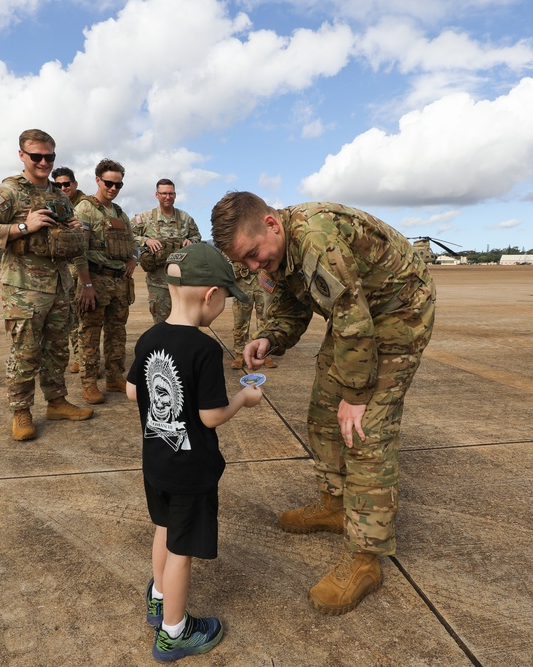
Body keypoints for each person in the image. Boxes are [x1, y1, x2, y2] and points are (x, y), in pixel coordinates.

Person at [211, 191, 435, 615]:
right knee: (323, 415)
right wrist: (269, 337)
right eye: (245, 263)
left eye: (255, 255)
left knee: (365, 431)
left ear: (271, 225)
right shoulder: (276, 252)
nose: (254, 267)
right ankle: (335, 505)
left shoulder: (316, 238)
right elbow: (289, 309)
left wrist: (357, 396)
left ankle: (365, 557)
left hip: (399, 309)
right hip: (358, 317)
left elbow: (354, 320)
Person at [126, 242, 262, 662]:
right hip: (191, 470)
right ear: (210, 296)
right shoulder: (203, 349)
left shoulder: (150, 336)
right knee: (182, 552)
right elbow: (210, 417)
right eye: (224, 299)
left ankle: (158, 598)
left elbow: (133, 390)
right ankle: (174, 632)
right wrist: (244, 398)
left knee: (164, 531)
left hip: (157, 462)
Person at [0, 129, 94, 441]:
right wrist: (24, 226)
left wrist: (75, 226)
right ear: (22, 155)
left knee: (57, 348)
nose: (43, 162)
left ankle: (56, 401)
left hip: (58, 284)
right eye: (36, 156)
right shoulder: (8, 192)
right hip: (24, 289)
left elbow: (66, 229)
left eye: (48, 157)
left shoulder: (58, 195)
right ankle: (21, 411)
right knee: (25, 351)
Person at [73, 158, 139, 405]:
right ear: (98, 180)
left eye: (118, 185)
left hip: (119, 281)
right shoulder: (85, 209)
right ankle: (89, 383)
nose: (113, 188)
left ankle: (114, 376)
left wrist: (133, 259)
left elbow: (133, 243)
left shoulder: (120, 212)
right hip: (96, 280)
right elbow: (78, 250)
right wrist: (86, 285)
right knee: (90, 332)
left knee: (117, 332)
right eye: (109, 183)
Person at [132, 179, 202, 323]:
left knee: (184, 322)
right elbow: (128, 235)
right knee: (161, 323)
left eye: (170, 193)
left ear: (175, 195)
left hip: (183, 282)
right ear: (157, 195)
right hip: (158, 283)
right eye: (163, 193)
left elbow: (197, 236)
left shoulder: (185, 218)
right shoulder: (145, 218)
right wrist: (146, 241)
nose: (167, 197)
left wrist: (192, 241)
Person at [53, 167, 87, 374]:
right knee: (68, 317)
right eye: (58, 185)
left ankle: (85, 358)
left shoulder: (85, 206)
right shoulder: (52, 203)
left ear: (75, 184)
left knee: (83, 317)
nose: (63, 188)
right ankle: (79, 356)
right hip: (62, 268)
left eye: (66, 184)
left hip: (82, 268)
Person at [229, 260, 277, 370]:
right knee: (240, 319)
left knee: (265, 318)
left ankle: (264, 353)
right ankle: (239, 353)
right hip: (242, 280)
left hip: (263, 279)